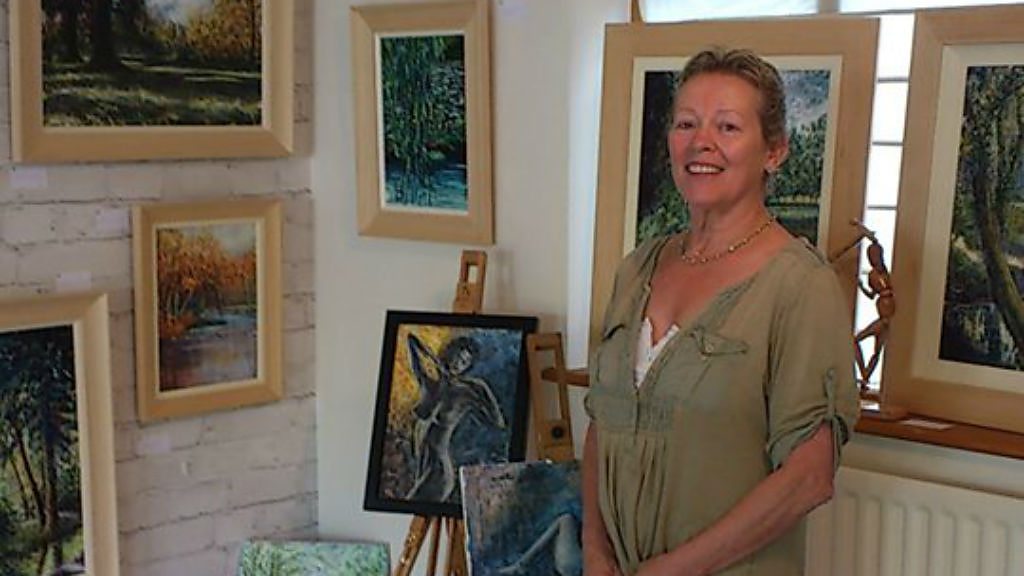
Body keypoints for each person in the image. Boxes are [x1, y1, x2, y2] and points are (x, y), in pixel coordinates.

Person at [582, 47, 860, 576]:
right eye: (686, 123)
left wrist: (672, 571)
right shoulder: (637, 268)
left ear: (774, 151)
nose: (701, 142)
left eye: (728, 126)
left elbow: (809, 478)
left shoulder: (801, 287)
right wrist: (594, 552)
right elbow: (605, 421)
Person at [405, 333, 507, 502]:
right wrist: (432, 357)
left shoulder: (465, 392)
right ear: (449, 353)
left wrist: (482, 389)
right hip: (422, 465)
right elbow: (411, 340)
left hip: (439, 471)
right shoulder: (429, 384)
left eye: (464, 362)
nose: (457, 364)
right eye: (456, 357)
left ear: (467, 368)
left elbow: (499, 421)